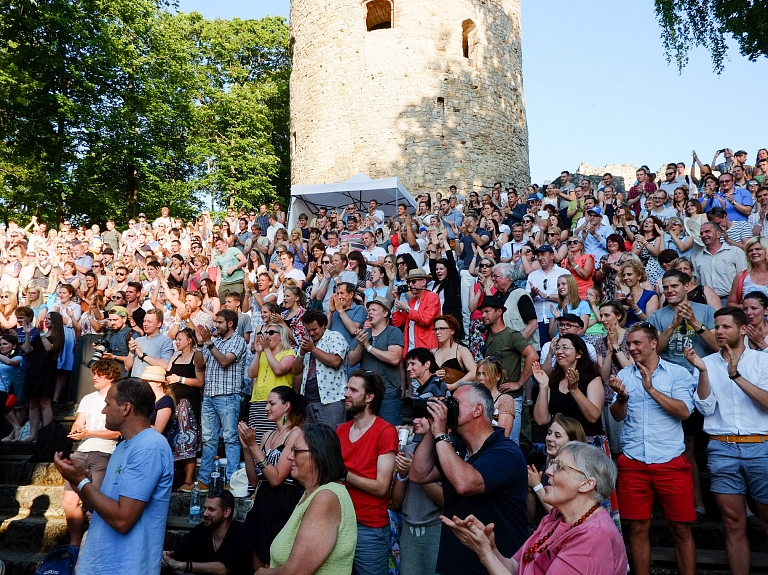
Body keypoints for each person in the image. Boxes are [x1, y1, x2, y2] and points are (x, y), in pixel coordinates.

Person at [442, 442, 626, 575]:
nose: (548, 471)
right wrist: (490, 547)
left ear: (586, 484)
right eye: (552, 463)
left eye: (559, 466)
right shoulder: (556, 517)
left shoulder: (594, 536)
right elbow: (517, 568)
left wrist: (485, 554)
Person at [53, 377, 174, 575]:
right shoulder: (124, 446)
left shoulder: (149, 446)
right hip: (103, 564)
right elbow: (103, 506)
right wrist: (77, 479)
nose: (103, 411)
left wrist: (81, 481)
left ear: (125, 408)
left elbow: (122, 520)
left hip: (125, 567)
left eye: (108, 404)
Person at [410, 382, 529, 575]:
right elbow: (418, 474)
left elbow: (464, 483)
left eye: (454, 403)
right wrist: (434, 429)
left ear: (477, 410)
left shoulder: (505, 452)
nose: (448, 407)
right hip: (456, 561)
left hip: (497, 564)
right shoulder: (458, 448)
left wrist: (441, 434)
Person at [684, 307, 768, 575]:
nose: (719, 332)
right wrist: (704, 374)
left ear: (743, 329)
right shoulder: (706, 363)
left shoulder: (762, 361)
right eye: (716, 327)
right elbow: (706, 409)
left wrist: (735, 375)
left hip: (761, 445)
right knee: (732, 522)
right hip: (722, 447)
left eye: (725, 327)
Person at [608, 322, 697, 575]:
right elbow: (616, 416)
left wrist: (650, 389)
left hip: (670, 461)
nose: (632, 348)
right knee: (636, 527)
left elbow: (684, 411)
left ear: (653, 343)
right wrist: (622, 398)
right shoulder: (625, 375)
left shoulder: (677, 373)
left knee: (681, 528)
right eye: (629, 344)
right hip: (634, 461)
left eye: (637, 343)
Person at [258, 423, 356, 575]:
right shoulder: (311, 492)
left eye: (296, 450)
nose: (289, 456)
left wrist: (264, 573)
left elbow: (296, 572)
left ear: (318, 456)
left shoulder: (326, 497)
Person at [238, 386, 307, 570]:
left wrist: (253, 447)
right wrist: (246, 450)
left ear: (287, 406)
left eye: (271, 403)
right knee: (255, 557)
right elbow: (255, 481)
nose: (266, 407)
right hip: (262, 501)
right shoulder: (267, 435)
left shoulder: (296, 434)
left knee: (274, 562)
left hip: (282, 502)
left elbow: (276, 479)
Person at [336, 370, 398, 575]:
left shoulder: (385, 431)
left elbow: (382, 488)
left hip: (369, 527)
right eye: (346, 388)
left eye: (353, 390)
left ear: (370, 397)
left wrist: (344, 474)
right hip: (339, 523)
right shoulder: (341, 430)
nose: (346, 393)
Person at [61, 359, 122, 547]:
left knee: (97, 504)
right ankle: (74, 543)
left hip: (104, 452)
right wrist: (78, 429)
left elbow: (119, 431)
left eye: (99, 374)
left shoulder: (119, 398)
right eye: (94, 373)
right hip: (82, 451)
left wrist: (90, 432)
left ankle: (96, 543)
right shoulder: (88, 398)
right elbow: (80, 421)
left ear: (110, 377)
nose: (94, 377)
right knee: (69, 501)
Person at [196, 309, 248, 491]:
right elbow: (198, 364)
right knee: (208, 439)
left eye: (219, 322)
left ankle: (232, 482)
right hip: (209, 396)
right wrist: (200, 345)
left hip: (229, 396)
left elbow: (225, 361)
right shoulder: (214, 341)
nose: (215, 325)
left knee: (230, 439)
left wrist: (209, 343)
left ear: (230, 323)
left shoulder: (239, 341)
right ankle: (203, 480)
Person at [479, 295, 537, 446]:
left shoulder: (511, 334)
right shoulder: (491, 336)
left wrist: (519, 383)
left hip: (510, 398)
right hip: (493, 397)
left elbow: (532, 355)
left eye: (487, 311)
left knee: (508, 445)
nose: (483, 315)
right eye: (482, 312)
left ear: (499, 312)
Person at [532, 334, 605, 442]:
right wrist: (543, 386)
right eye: (557, 348)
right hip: (559, 444)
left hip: (587, 443)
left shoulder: (592, 378)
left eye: (565, 348)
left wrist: (574, 389)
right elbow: (541, 420)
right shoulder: (553, 380)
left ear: (579, 354)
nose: (559, 351)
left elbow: (593, 417)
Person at [162, 490, 252, 575]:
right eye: (205, 508)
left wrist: (182, 565)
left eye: (211, 510)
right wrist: (167, 556)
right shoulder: (201, 530)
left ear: (226, 512)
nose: (205, 513)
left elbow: (223, 569)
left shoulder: (241, 532)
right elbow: (180, 554)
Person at [348, 296, 404, 425]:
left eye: (374, 310)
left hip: (388, 392)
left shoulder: (393, 332)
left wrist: (368, 347)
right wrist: (361, 345)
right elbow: (351, 360)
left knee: (390, 431)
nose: (370, 313)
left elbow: (394, 358)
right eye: (369, 310)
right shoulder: (363, 333)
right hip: (366, 394)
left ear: (385, 313)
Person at [291, 308, 349, 428]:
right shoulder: (307, 342)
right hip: (309, 401)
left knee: (330, 440)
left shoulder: (335, 336)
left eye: (314, 329)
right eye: (308, 330)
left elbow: (336, 361)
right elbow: (295, 371)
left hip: (332, 400)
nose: (311, 333)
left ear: (323, 325)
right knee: (310, 442)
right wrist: (301, 353)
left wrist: (313, 349)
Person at [165, 327, 205, 492]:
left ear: (189, 340)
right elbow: (167, 375)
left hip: (189, 403)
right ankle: (175, 478)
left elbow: (199, 381)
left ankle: (188, 479)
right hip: (173, 401)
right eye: (176, 339)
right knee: (172, 438)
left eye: (180, 338)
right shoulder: (174, 356)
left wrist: (179, 379)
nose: (177, 341)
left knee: (189, 440)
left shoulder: (196, 356)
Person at [526, 415, 587, 519]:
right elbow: (530, 517)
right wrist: (530, 491)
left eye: (557, 436)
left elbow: (560, 515)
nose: (549, 438)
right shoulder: (545, 468)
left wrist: (537, 485)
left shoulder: (573, 473)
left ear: (572, 442)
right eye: (549, 433)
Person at [247, 323, 296, 440]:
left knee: (273, 441)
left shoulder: (289, 353)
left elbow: (279, 370)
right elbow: (251, 373)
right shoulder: (263, 354)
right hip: (257, 402)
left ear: (281, 336)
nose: (266, 336)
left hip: (277, 404)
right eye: (265, 333)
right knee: (256, 441)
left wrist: (266, 349)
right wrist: (258, 352)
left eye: (271, 333)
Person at [21, 310, 64, 443]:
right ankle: (33, 434)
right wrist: (28, 335)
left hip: (46, 371)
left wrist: (40, 333)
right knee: (33, 404)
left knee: (45, 403)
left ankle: (46, 434)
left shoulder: (57, 336)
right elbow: (28, 350)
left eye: (49, 319)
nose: (46, 320)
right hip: (34, 369)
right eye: (46, 318)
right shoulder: (41, 335)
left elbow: (49, 349)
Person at [694, 221, 748, 307]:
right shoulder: (698, 258)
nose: (703, 235)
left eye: (707, 231)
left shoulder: (735, 252)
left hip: (731, 302)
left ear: (718, 234)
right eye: (701, 233)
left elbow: (744, 279)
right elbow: (698, 283)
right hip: (708, 302)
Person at [526, 245, 569, 345]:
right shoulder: (533, 275)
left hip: (559, 319)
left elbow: (569, 297)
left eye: (543, 254)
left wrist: (547, 296)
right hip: (538, 320)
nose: (540, 258)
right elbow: (526, 298)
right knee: (542, 353)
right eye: (538, 255)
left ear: (552, 256)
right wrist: (532, 294)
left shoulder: (563, 273)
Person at [392, 268, 441, 354]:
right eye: (409, 282)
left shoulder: (432, 297)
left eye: (413, 281)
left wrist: (407, 309)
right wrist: (397, 298)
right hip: (411, 348)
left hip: (426, 348)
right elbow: (397, 322)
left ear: (423, 282)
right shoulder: (412, 302)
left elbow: (426, 319)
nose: (410, 285)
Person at [125, 308, 175, 378]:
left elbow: (165, 365)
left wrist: (143, 356)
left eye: (149, 322)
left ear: (159, 324)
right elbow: (127, 367)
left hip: (151, 383)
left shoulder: (166, 341)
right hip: (134, 381)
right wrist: (131, 352)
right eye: (144, 321)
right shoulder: (138, 340)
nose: (145, 324)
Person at [431, 314, 476, 388]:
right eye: (435, 329)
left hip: (457, 395)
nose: (437, 332)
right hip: (436, 395)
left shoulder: (461, 350)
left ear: (452, 330)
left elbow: (474, 372)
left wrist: (453, 386)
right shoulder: (432, 352)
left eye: (442, 328)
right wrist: (433, 375)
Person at [476, 357, 514, 437]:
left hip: (494, 447)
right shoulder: (474, 398)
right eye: (479, 374)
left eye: (485, 374)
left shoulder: (505, 400)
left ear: (498, 376)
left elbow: (503, 435)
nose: (480, 378)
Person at [727, 237, 768, 307]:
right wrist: (746, 308)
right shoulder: (741, 276)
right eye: (750, 250)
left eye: (758, 249)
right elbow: (730, 304)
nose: (754, 252)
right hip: (748, 317)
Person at [619, 259, 659, 326]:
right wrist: (625, 311)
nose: (625, 278)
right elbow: (621, 325)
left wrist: (634, 306)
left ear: (639, 276)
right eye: (623, 275)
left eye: (629, 274)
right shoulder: (625, 299)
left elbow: (649, 323)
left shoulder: (651, 295)